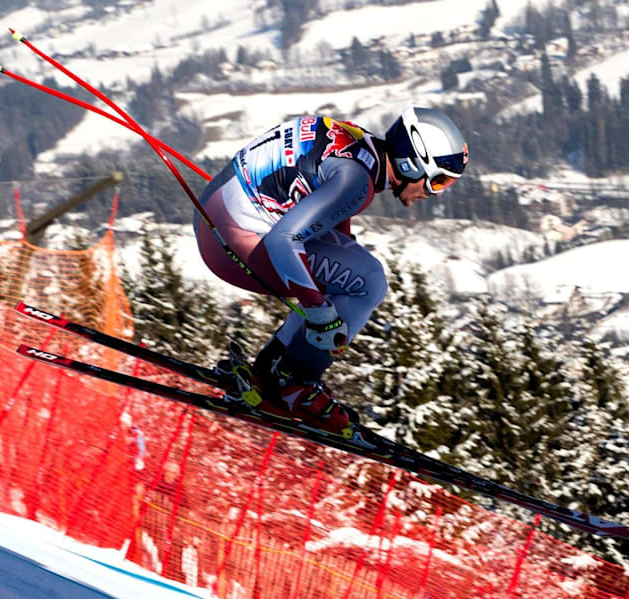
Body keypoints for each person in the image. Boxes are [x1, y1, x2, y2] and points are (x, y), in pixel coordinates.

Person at [194, 107, 469, 437]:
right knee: (369, 281)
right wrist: (318, 311)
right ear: (413, 162)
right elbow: (284, 240)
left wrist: (335, 275)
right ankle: (295, 387)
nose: (434, 192)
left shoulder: (358, 141)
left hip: (214, 215)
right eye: (438, 181)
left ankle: (270, 372)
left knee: (349, 273)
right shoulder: (357, 181)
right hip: (235, 243)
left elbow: (327, 215)